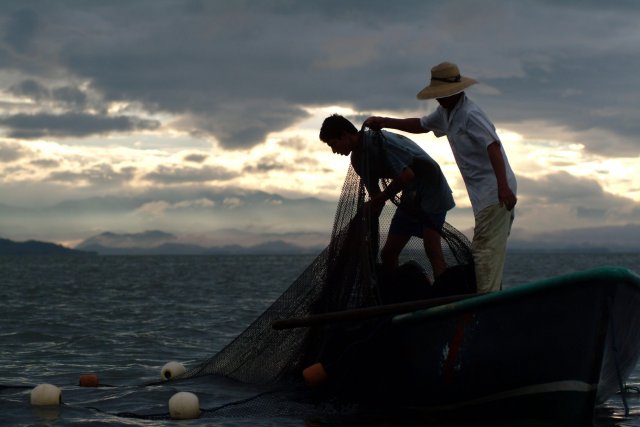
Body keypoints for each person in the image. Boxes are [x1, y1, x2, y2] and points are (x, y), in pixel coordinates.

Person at [364, 61, 517, 293]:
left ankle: (486, 305)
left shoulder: (470, 114)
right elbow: (421, 125)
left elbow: (493, 146)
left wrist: (503, 187)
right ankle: (488, 298)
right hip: (485, 194)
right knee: (487, 250)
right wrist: (385, 121)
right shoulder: (446, 113)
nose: (437, 99)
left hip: (494, 192)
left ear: (454, 91)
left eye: (440, 94)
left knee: (485, 251)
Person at [319, 114, 455, 279]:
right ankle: (396, 293)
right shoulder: (358, 161)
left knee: (432, 250)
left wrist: (376, 201)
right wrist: (365, 227)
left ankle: (442, 291)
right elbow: (377, 197)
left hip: (432, 188)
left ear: (346, 135)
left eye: (334, 144)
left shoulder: (379, 142)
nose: (334, 151)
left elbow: (406, 176)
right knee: (388, 254)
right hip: (410, 196)